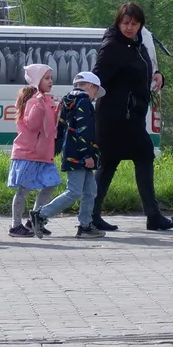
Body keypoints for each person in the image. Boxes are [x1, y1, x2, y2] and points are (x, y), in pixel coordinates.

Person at [91, 3, 173, 231]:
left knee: (120, 161)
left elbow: (145, 68)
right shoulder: (112, 46)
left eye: (134, 24)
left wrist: (158, 75)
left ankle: (93, 215)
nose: (129, 27)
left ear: (140, 25)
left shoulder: (136, 44)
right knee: (125, 159)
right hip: (115, 117)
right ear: (118, 22)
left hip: (132, 115)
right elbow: (98, 78)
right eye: (125, 23)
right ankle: (151, 216)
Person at [39, 71, 104, 238]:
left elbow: (61, 129)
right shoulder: (84, 102)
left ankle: (85, 225)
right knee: (74, 192)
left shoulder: (68, 101)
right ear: (90, 86)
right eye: (96, 91)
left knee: (91, 190)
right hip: (80, 156)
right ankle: (40, 215)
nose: (95, 96)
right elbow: (83, 131)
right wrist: (87, 155)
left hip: (72, 153)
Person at [7, 65, 63, 238]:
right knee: (23, 190)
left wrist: (57, 109)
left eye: (51, 77)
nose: (50, 81)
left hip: (44, 154)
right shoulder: (33, 101)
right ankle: (15, 226)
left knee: (51, 184)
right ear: (37, 80)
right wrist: (39, 106)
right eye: (46, 78)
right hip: (29, 153)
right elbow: (32, 125)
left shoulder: (46, 99)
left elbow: (50, 129)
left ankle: (34, 220)